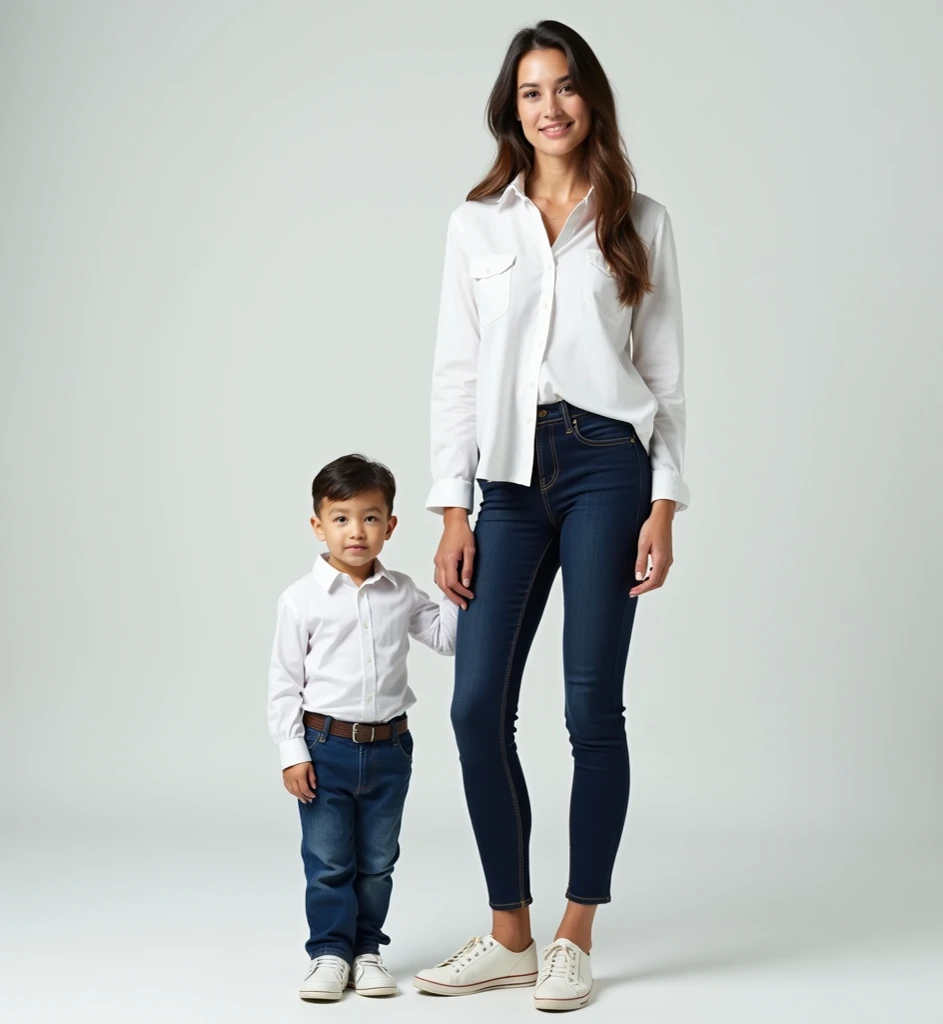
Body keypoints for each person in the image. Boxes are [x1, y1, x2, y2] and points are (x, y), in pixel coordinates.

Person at [413, 20, 690, 1013]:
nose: (550, 106)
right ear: (512, 110)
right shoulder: (475, 224)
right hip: (508, 477)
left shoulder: (639, 219)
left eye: (565, 86)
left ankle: (575, 929)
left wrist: (664, 499)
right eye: (531, 92)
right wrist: (452, 506)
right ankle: (509, 932)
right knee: (475, 704)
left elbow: (663, 373)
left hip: (609, 466)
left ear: (590, 98)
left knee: (588, 708)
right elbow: (455, 373)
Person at [268, 454, 458, 1001]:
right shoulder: (300, 600)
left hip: (389, 749)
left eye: (371, 518)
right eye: (342, 518)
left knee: (377, 861)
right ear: (318, 525)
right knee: (328, 861)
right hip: (324, 747)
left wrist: (457, 577)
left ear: (391, 526)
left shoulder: (400, 590)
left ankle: (368, 950)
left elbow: (447, 638)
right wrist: (292, 751)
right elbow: (284, 682)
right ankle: (329, 952)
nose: (357, 531)